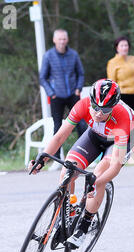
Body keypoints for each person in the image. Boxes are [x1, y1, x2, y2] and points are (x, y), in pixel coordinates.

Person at [28, 79, 134, 249]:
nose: (99, 114)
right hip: (95, 135)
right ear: (91, 102)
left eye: (105, 110)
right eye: (95, 107)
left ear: (114, 107)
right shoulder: (82, 105)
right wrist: (41, 160)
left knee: (100, 174)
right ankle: (70, 211)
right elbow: (59, 137)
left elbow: (115, 167)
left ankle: (83, 227)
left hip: (122, 140)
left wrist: (96, 182)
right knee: (67, 169)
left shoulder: (123, 119)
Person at [39, 28, 87, 165]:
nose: (62, 41)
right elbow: (43, 78)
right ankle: (57, 159)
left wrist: (78, 89)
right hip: (57, 96)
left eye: (64, 39)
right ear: (54, 40)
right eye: (59, 39)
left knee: (81, 124)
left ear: (67, 40)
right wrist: (51, 93)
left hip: (73, 94)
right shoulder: (48, 56)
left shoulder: (73, 55)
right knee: (58, 126)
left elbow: (81, 73)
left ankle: (84, 155)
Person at [106, 36, 134, 162]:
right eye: (122, 46)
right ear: (117, 48)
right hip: (124, 96)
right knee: (127, 127)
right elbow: (112, 82)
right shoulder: (112, 62)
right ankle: (128, 154)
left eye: (126, 45)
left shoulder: (133, 59)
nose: (124, 48)